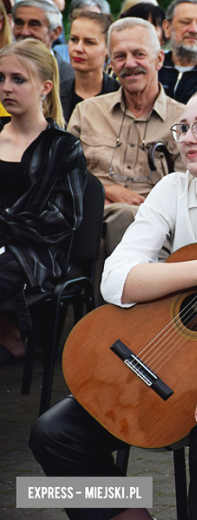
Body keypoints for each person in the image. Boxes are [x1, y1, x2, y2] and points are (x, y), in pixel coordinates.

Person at [30, 84, 197, 520]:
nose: (188, 136)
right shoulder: (172, 189)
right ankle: (127, 515)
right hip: (171, 356)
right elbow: (115, 281)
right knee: (51, 433)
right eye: (183, 127)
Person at [0, 39, 87, 365]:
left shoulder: (63, 146)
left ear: (45, 87)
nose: (7, 87)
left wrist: (4, 225)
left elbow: (65, 218)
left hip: (36, 252)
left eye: (18, 79)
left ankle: (11, 335)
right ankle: (7, 332)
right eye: (1, 78)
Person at [68, 17, 185, 258]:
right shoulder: (87, 112)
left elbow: (190, 187)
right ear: (110, 63)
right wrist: (107, 190)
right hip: (90, 212)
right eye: (120, 57)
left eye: (139, 54)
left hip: (156, 220)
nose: (129, 64)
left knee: (126, 219)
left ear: (159, 59)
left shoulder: (184, 119)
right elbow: (66, 175)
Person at [61, 10, 119, 124]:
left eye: (89, 42)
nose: (78, 48)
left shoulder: (120, 95)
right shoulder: (55, 95)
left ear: (108, 48)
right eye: (74, 39)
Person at [12, 0, 75, 85]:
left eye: (34, 24)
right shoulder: (3, 65)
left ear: (55, 32)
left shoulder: (70, 77)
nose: (24, 32)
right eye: (19, 23)